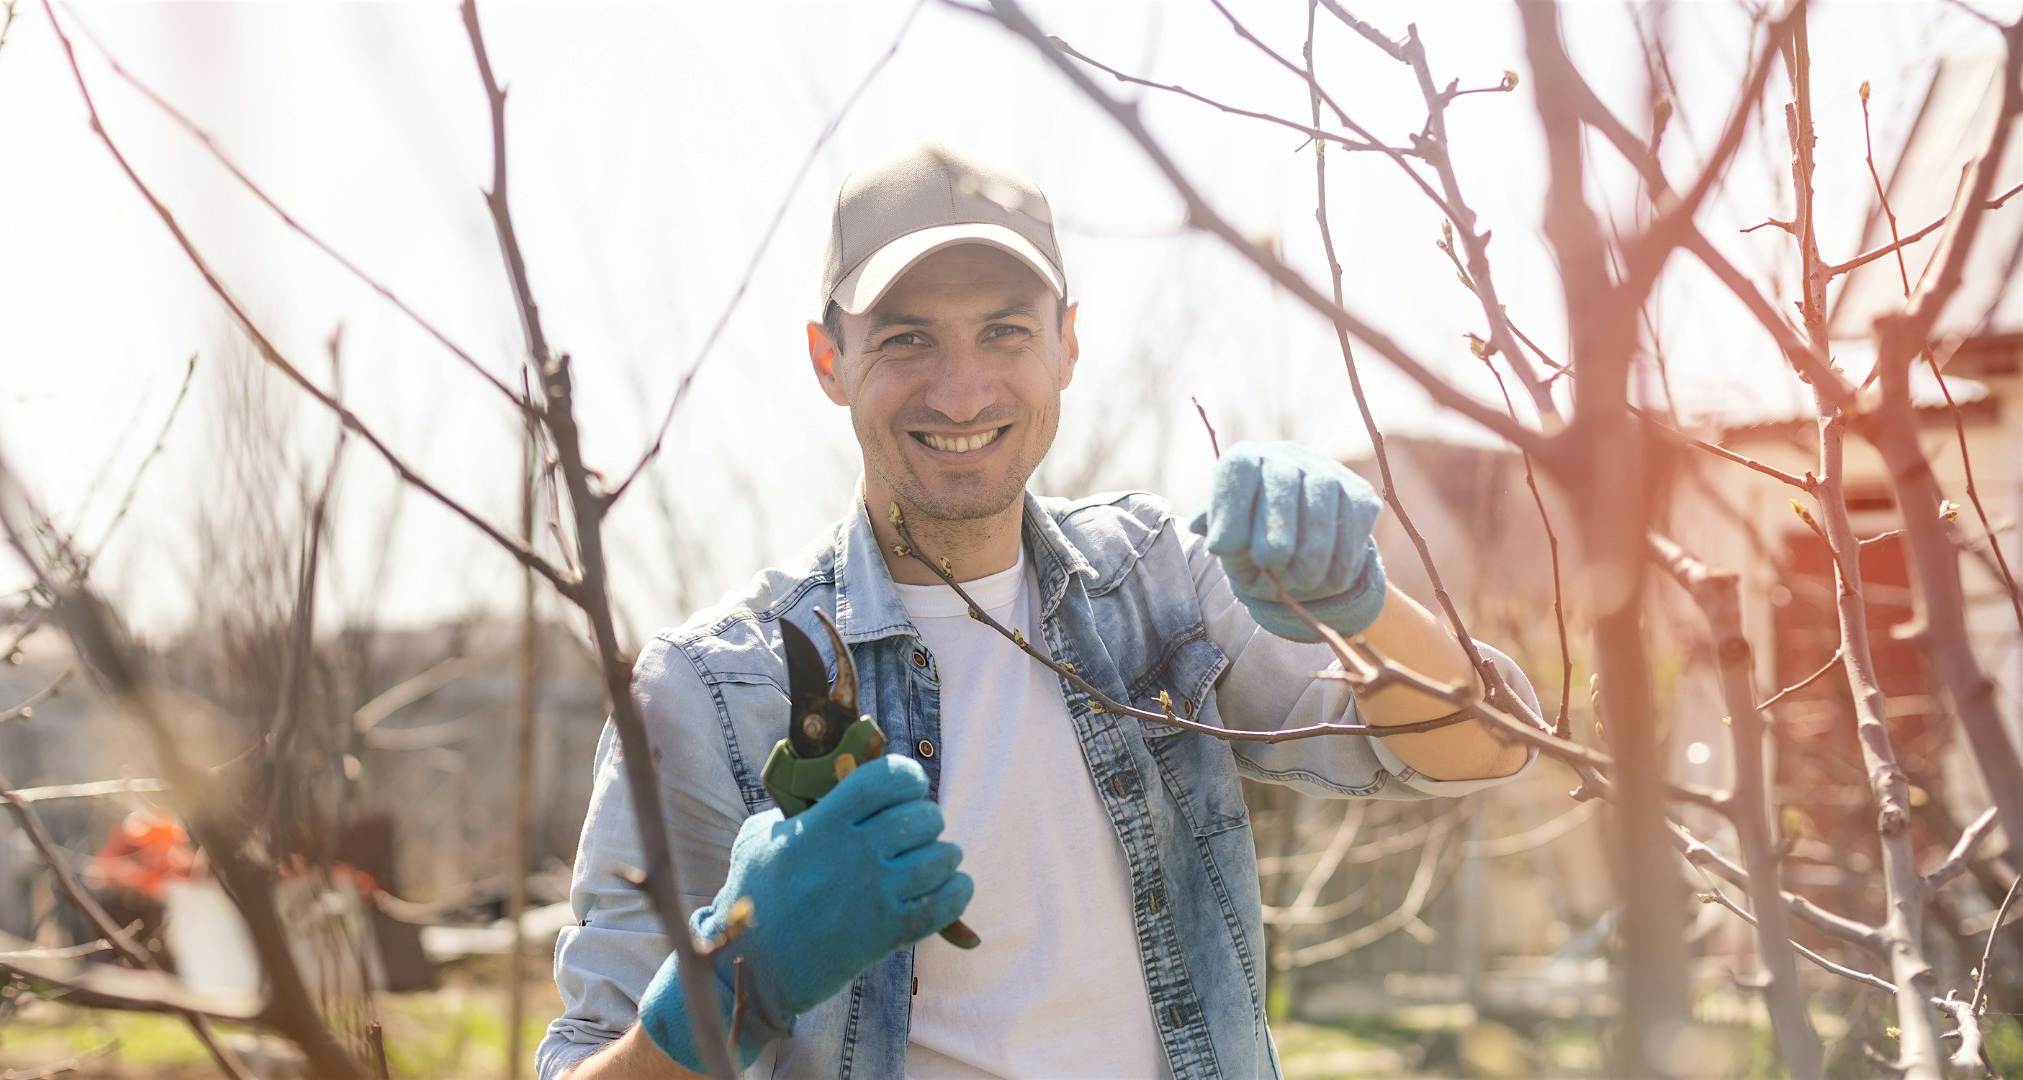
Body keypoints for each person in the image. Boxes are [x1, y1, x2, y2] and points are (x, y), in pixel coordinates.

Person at [538, 141, 1538, 1080]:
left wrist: (1361, 609)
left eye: (1004, 331)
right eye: (907, 338)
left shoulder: (1158, 585)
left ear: (1067, 343)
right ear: (828, 359)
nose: (963, 391)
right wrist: (738, 983)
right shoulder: (710, 691)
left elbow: (1488, 749)